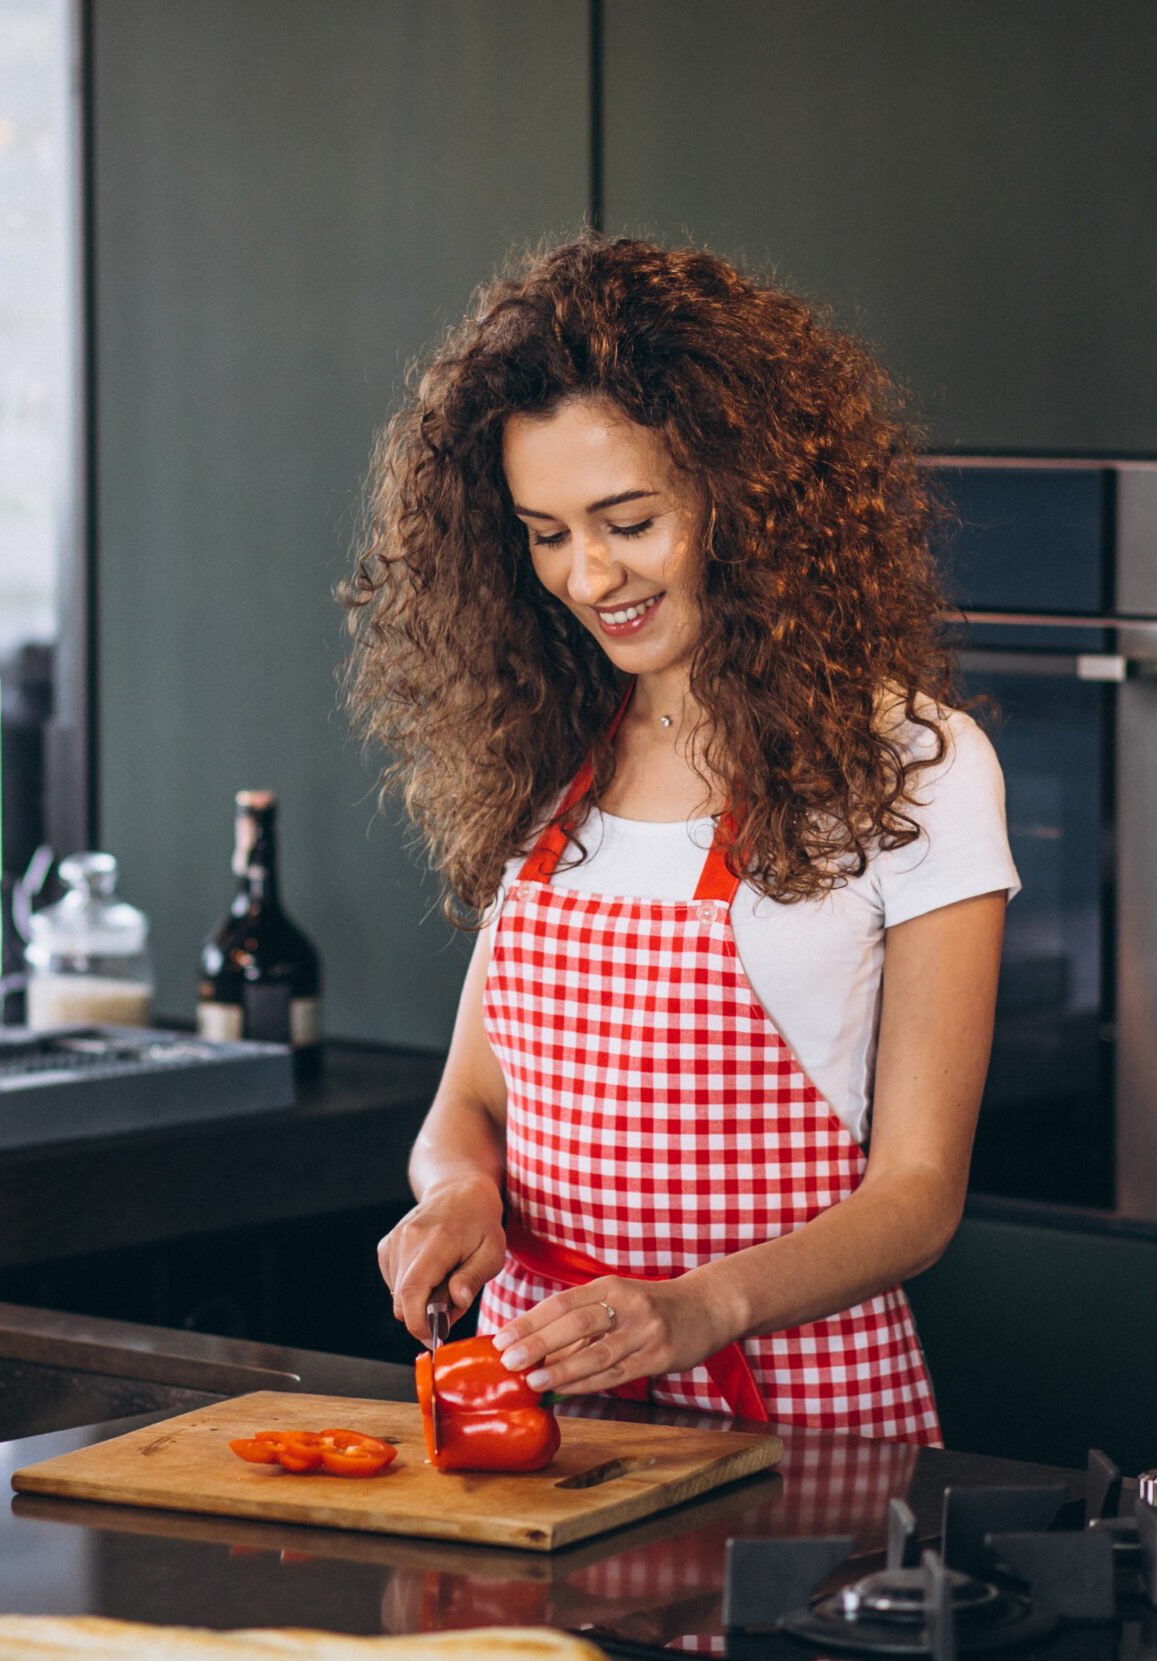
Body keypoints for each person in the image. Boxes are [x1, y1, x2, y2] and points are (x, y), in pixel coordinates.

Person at [344, 236, 1018, 1440]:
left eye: (628, 519)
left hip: (801, 1421)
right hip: (544, 1418)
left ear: (740, 494)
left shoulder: (912, 764)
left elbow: (918, 1196)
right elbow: (468, 1106)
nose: (588, 573)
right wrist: (456, 1197)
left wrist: (699, 1307)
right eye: (545, 532)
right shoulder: (545, 753)